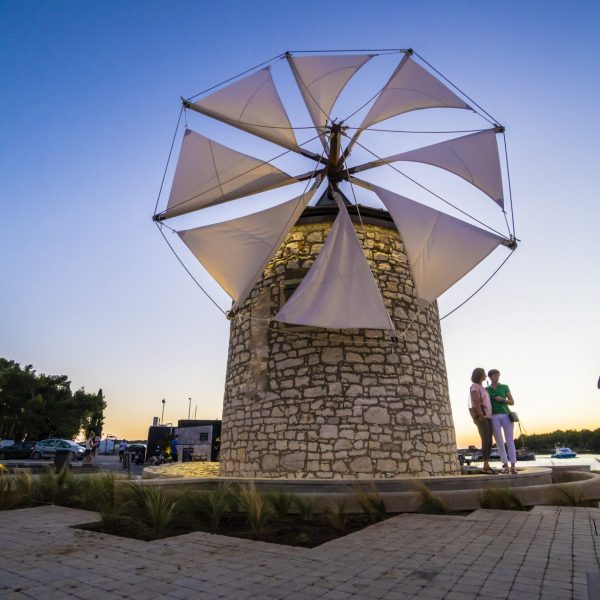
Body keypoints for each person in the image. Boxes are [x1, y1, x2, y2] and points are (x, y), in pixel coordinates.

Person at [487, 369, 517, 474]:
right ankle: (506, 467)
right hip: (494, 416)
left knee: (510, 441)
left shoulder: (504, 387)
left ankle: (513, 466)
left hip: (506, 415)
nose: (497, 377)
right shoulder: (487, 390)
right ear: (490, 377)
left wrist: (503, 400)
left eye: (498, 375)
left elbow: (512, 402)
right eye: (494, 376)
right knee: (499, 442)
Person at [469, 368, 495, 474]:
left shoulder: (482, 387)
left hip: (488, 416)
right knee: (485, 440)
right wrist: (480, 414)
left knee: (489, 441)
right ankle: (486, 466)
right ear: (479, 375)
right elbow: (475, 400)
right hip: (482, 416)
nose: (485, 375)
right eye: (484, 373)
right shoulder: (474, 386)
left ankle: (487, 464)